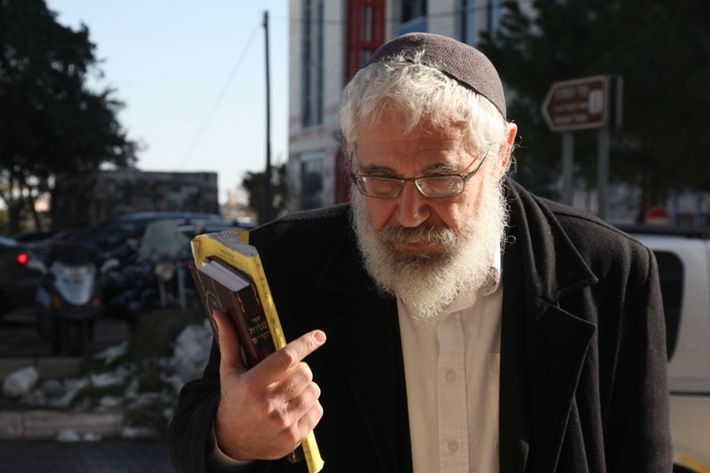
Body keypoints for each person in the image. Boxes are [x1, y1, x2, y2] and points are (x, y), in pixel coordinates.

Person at [168, 33, 672, 472]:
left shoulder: (610, 271)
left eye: (441, 178)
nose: (409, 213)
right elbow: (194, 434)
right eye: (380, 179)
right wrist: (232, 438)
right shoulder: (283, 264)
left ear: (501, 154)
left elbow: (642, 456)